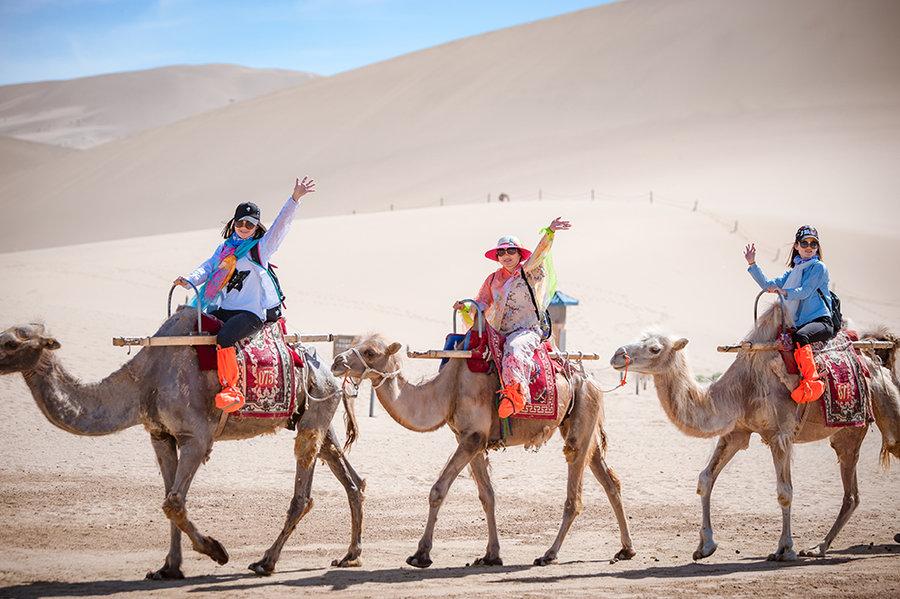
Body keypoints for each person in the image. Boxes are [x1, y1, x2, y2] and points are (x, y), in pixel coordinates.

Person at [174, 176, 316, 412]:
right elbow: (208, 268)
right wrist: (188, 280)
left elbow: (281, 226)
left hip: (250, 314)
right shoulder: (225, 249)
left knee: (225, 338)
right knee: (195, 324)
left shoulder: (260, 249)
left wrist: (294, 199)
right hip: (224, 309)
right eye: (240, 222)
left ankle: (231, 389)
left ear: (256, 227)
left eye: (250, 224)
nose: (244, 228)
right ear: (234, 222)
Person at [454, 216, 571, 418]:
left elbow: (539, 254)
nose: (506, 255)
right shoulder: (492, 279)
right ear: (497, 256)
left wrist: (549, 233)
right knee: (466, 351)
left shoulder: (530, 271)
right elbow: (481, 303)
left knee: (515, 350)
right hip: (499, 330)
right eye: (501, 252)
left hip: (527, 330)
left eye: (511, 251)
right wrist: (465, 307)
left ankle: (516, 395)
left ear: (519, 254)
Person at [743, 225, 833, 403]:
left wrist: (784, 292)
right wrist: (752, 264)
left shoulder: (818, 268)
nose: (809, 247)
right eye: (804, 242)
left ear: (817, 248)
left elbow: (805, 291)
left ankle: (811, 381)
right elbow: (768, 285)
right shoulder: (793, 272)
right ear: (796, 246)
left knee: (801, 336)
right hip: (798, 322)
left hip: (820, 321)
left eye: (813, 244)